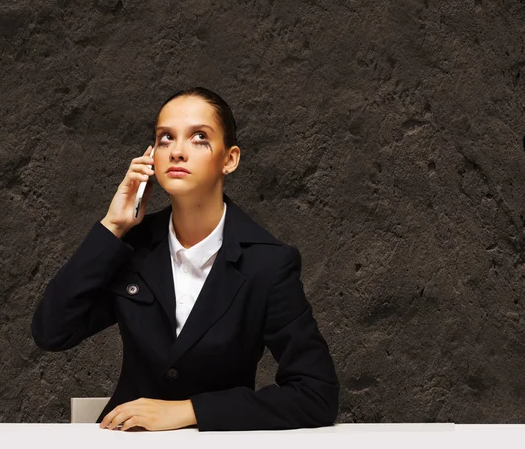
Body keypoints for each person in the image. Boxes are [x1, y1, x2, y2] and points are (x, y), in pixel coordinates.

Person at [31, 86, 340, 432]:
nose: (177, 151)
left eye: (198, 138)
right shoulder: (131, 248)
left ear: (230, 159)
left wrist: (190, 410)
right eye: (165, 139)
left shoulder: (267, 264)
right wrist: (112, 226)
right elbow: (50, 332)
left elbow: (317, 395)